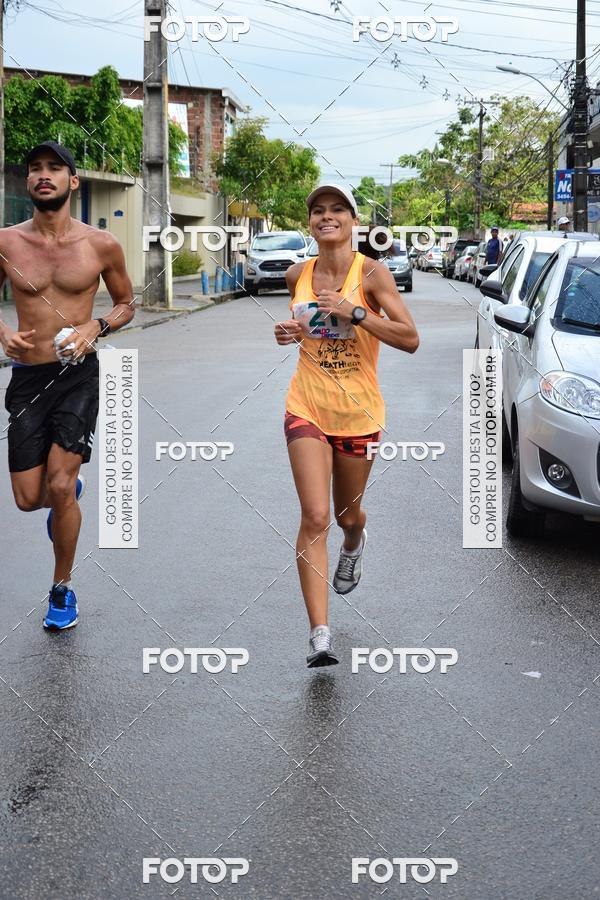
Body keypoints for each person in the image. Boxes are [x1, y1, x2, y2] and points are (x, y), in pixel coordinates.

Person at [274, 184, 419, 667]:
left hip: (358, 412)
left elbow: (411, 338)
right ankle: (320, 635)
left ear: (354, 221)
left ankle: (354, 541)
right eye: (318, 210)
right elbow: (301, 328)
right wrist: (286, 332)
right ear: (311, 222)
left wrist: (356, 312)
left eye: (337, 209)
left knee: (344, 517)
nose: (327, 216)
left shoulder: (372, 274)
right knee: (314, 517)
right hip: (306, 406)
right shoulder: (298, 273)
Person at [0, 141, 135, 630]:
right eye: (34, 168)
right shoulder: (7, 241)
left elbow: (126, 304)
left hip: (78, 374)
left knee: (59, 487)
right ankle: (65, 491)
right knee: (28, 498)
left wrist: (94, 327)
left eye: (54, 168)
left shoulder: (101, 245)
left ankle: (61, 590)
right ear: (27, 182)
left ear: (72, 182)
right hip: (27, 378)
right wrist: (4, 334)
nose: (43, 175)